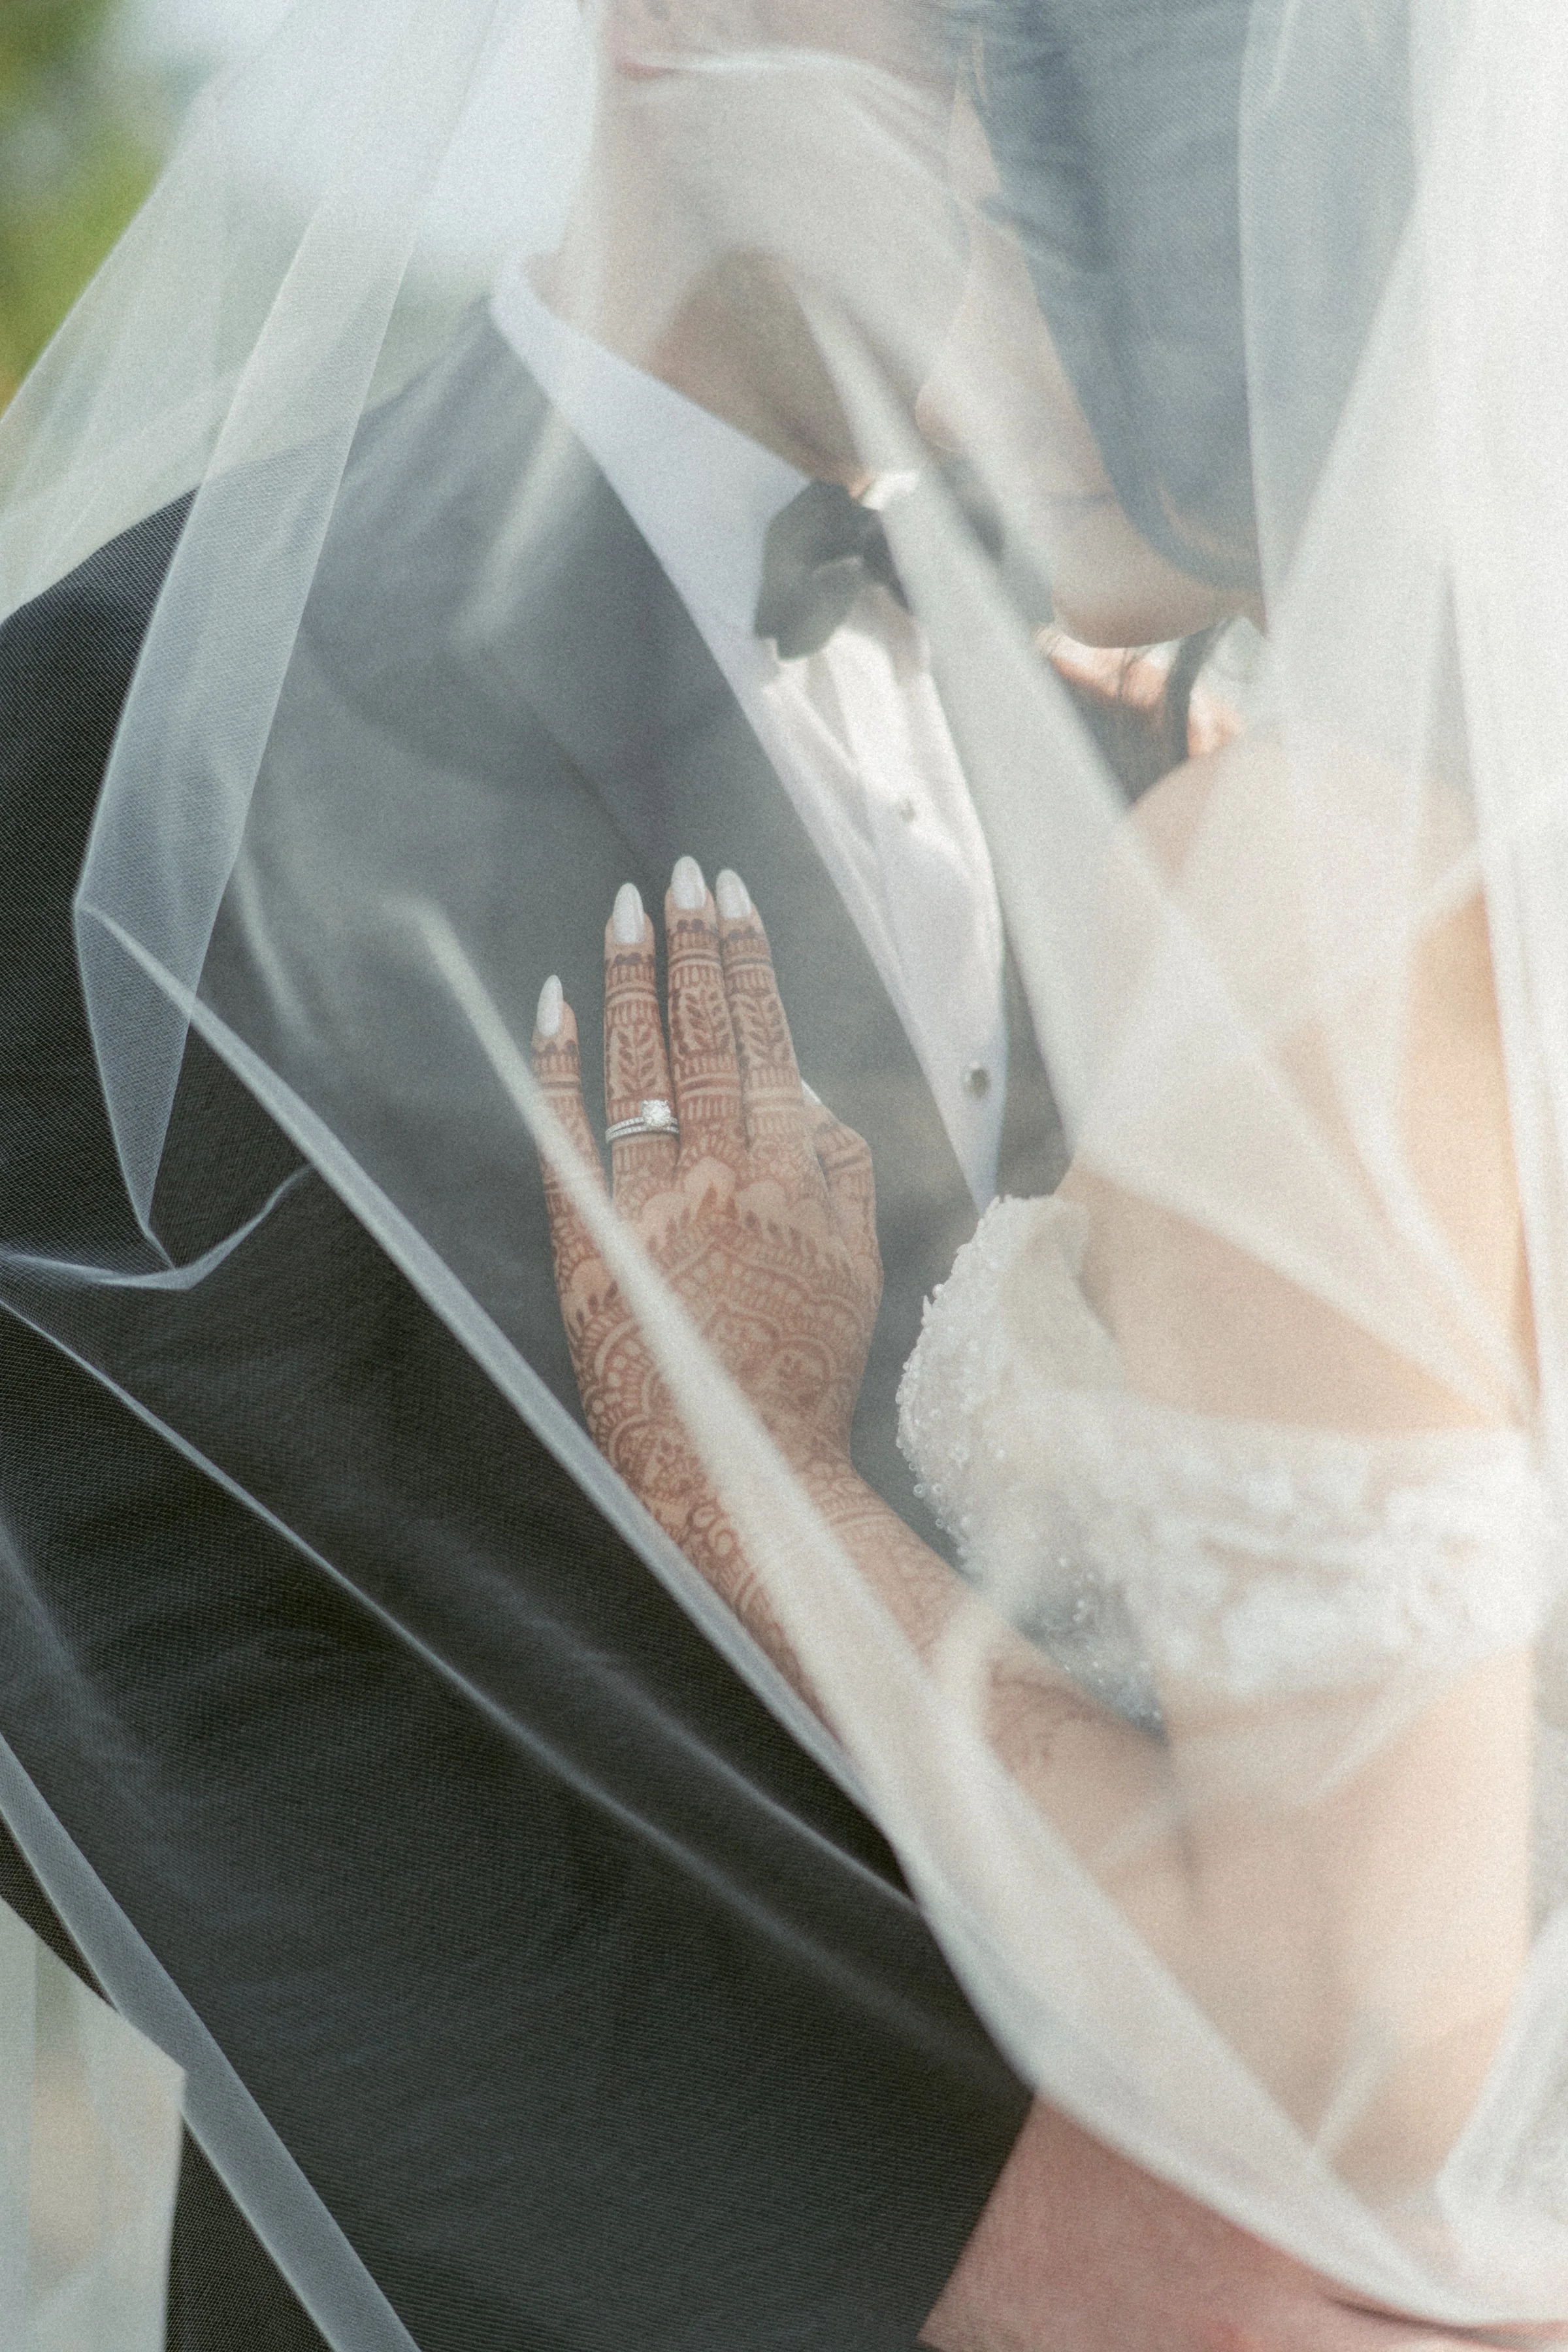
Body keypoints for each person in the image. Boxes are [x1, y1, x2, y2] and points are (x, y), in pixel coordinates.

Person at [0, 0, 1407, 2346]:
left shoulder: (1151, 734)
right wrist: (951, 2281)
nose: (1054, 87)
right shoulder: (136, 736)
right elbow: (130, 1654)